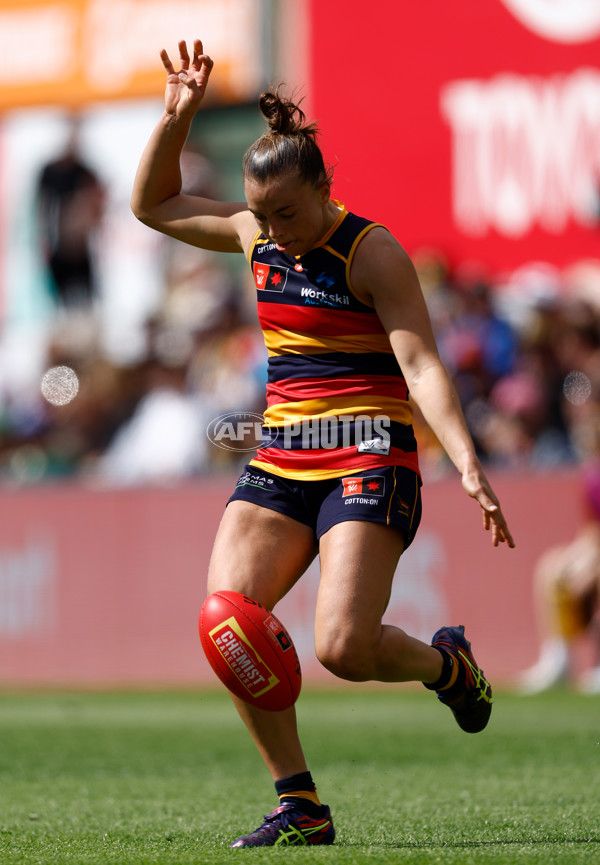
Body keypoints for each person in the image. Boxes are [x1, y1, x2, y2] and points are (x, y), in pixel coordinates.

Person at [131, 39, 515, 848]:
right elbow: (153, 205)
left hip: (369, 452)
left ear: (325, 190)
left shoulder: (370, 251)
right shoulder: (255, 236)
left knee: (343, 645)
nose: (276, 232)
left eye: (289, 214)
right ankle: (300, 800)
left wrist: (467, 460)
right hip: (281, 457)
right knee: (226, 621)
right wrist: (178, 119)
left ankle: (449, 664)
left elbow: (420, 363)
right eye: (262, 215)